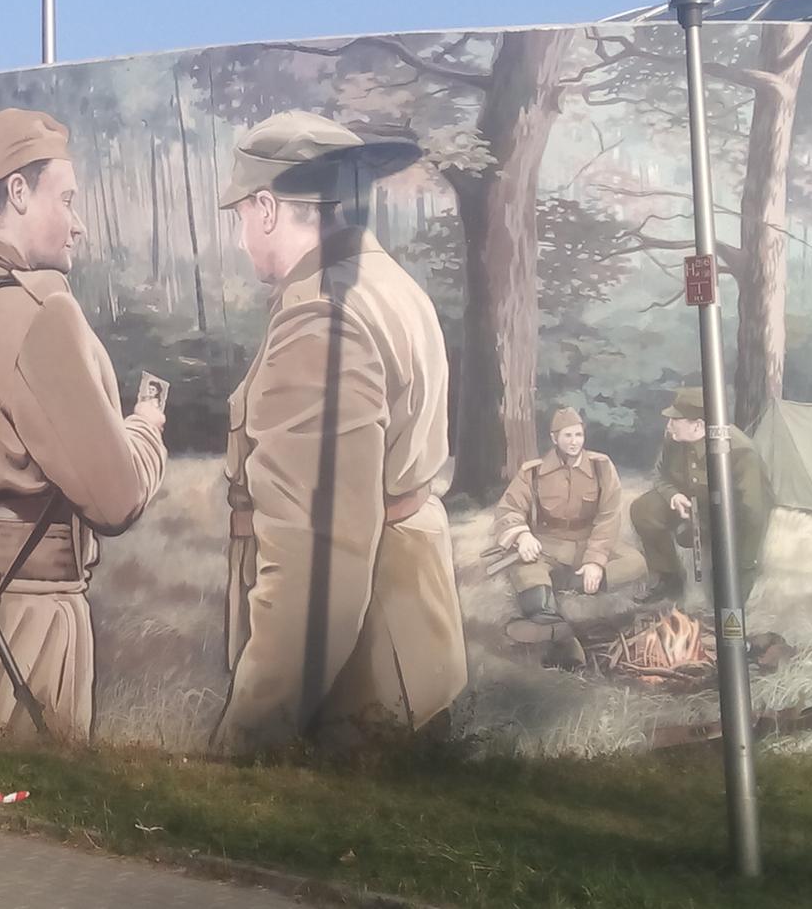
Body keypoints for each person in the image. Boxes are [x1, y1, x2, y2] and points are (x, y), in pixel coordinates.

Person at [0, 107, 168, 741]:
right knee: (28, 809)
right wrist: (146, 428)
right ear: (19, 192)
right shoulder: (42, 313)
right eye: (68, 198)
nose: (78, 223)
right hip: (24, 627)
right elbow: (118, 498)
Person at [211, 111, 463, 753]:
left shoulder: (321, 315)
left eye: (240, 214)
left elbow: (317, 564)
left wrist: (248, 739)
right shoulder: (391, 287)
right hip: (409, 646)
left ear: (267, 208)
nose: (241, 237)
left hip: (358, 682)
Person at [494, 406, 642, 633]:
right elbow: (509, 508)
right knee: (525, 569)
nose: (574, 442)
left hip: (588, 542)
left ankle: (566, 581)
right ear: (554, 438)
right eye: (568, 435)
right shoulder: (533, 472)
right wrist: (523, 535)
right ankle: (546, 619)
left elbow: (609, 517)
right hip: (549, 544)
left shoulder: (601, 467)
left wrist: (595, 561)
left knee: (634, 562)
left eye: (578, 435)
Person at [629, 387, 773, 605]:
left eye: (675, 420)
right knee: (643, 509)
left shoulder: (741, 452)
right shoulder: (674, 439)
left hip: (727, 517)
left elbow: (752, 513)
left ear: (698, 425)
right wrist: (673, 496)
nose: (668, 426)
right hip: (688, 507)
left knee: (722, 597)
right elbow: (659, 474)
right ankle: (668, 578)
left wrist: (744, 565)